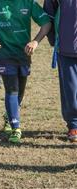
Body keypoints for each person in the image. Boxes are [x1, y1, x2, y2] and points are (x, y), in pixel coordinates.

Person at [0, 0, 51, 143]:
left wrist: (35, 41)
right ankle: (15, 127)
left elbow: (46, 23)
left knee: (20, 91)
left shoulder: (29, 3)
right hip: (4, 53)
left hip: (23, 54)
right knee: (11, 89)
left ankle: (10, 115)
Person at [43, 0, 77, 142]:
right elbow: (48, 14)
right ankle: (74, 125)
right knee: (70, 89)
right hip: (66, 48)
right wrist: (55, 40)